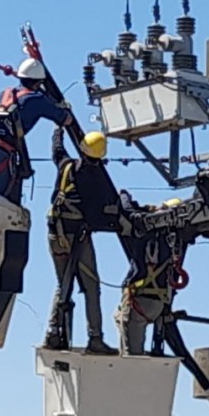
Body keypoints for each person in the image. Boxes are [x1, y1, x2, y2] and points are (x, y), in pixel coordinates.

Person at [43, 126, 125, 355]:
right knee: (91, 288)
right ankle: (95, 338)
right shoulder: (97, 179)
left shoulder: (66, 166)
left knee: (63, 285)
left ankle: (52, 332)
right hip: (78, 237)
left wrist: (58, 130)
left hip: (55, 234)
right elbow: (106, 211)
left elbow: (57, 151)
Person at [0, 57, 73, 205]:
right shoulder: (36, 99)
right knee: (8, 208)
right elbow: (65, 119)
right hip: (1, 153)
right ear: (38, 83)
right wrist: (65, 108)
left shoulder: (5, 94)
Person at [115, 193, 186, 356]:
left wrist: (124, 196)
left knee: (132, 357)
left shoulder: (146, 229)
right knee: (118, 316)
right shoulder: (175, 238)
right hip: (158, 304)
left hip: (139, 300)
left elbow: (128, 212)